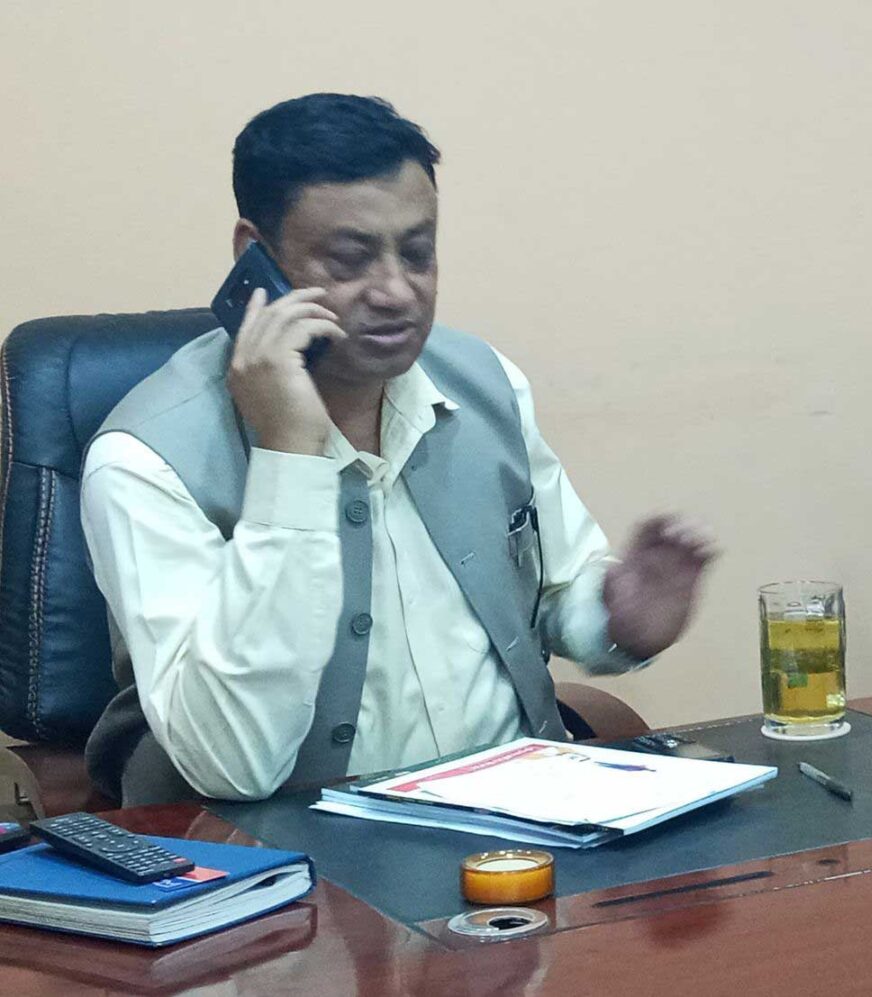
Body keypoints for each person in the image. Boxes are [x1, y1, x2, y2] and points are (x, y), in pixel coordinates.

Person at [80, 93, 717, 805]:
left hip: (521, 827)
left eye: (418, 252)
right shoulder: (146, 461)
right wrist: (289, 458)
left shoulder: (485, 385)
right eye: (351, 260)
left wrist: (617, 617)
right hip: (285, 853)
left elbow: (559, 595)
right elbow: (232, 765)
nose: (397, 292)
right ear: (254, 254)